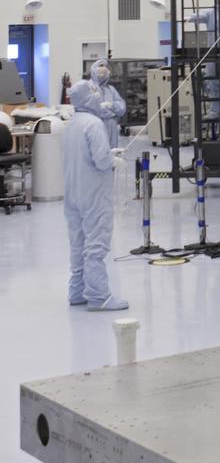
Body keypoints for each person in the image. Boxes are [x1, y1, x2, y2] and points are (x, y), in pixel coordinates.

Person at [63, 79, 127, 311]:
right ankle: (99, 297)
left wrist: (109, 152)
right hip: (94, 193)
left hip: (73, 192)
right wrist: (112, 160)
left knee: (78, 242)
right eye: (93, 93)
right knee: (96, 243)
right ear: (86, 98)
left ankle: (77, 291)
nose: (97, 95)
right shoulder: (94, 124)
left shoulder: (71, 123)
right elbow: (101, 161)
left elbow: (84, 155)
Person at [89, 59, 127, 149]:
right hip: (96, 125)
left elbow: (122, 108)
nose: (104, 68)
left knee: (112, 152)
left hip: (112, 125)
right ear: (94, 69)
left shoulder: (110, 89)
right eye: (101, 65)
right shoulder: (88, 87)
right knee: (98, 151)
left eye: (105, 66)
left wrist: (111, 105)